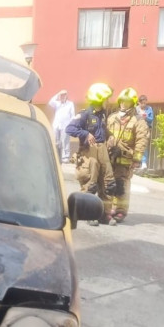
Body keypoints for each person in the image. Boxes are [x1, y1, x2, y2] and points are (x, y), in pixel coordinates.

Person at [66, 83, 115, 225]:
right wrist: (86, 134)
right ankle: (89, 215)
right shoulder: (84, 114)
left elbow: (102, 130)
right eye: (106, 98)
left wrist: (110, 136)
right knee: (90, 182)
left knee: (107, 182)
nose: (108, 101)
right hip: (89, 152)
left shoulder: (103, 114)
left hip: (102, 150)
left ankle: (105, 214)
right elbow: (70, 129)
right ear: (100, 99)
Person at [106, 87, 150, 225]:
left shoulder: (138, 120)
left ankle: (120, 210)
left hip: (126, 159)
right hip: (111, 157)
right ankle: (108, 209)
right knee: (109, 183)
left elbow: (141, 140)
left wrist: (137, 159)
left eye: (128, 101)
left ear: (133, 103)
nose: (124, 104)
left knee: (122, 184)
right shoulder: (112, 117)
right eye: (122, 101)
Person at [48, 89, 75, 163]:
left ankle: (65, 157)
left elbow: (72, 115)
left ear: (66, 96)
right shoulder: (57, 103)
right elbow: (50, 102)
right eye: (62, 95)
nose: (63, 96)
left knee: (65, 141)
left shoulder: (70, 104)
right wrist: (58, 93)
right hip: (56, 125)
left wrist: (71, 125)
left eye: (64, 95)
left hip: (66, 125)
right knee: (56, 141)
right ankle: (56, 156)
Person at [136, 95, 154, 169]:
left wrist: (146, 117)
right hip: (137, 129)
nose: (144, 105)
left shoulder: (149, 109)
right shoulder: (136, 109)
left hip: (146, 129)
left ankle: (143, 162)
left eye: (145, 103)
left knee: (144, 145)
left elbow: (151, 119)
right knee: (136, 145)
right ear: (139, 103)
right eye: (142, 103)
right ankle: (137, 161)